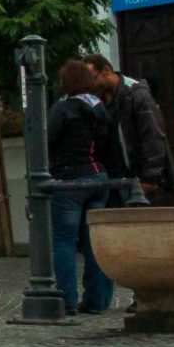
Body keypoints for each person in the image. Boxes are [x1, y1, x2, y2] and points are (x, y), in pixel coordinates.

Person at [44, 60, 118, 315]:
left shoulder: (63, 108)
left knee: (64, 240)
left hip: (69, 180)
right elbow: (108, 142)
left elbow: (48, 141)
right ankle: (96, 301)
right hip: (99, 178)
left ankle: (68, 300)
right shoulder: (98, 107)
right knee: (93, 242)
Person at [86, 54, 174, 200]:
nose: (91, 86)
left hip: (137, 179)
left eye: (93, 78)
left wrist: (150, 176)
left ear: (107, 70)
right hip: (116, 178)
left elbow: (152, 134)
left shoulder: (137, 95)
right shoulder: (101, 100)